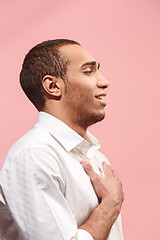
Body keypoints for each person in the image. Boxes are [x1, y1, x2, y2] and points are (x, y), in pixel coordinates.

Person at [0, 39, 124, 240]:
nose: (103, 81)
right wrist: (111, 204)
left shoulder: (95, 157)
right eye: (88, 71)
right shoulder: (33, 156)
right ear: (53, 86)